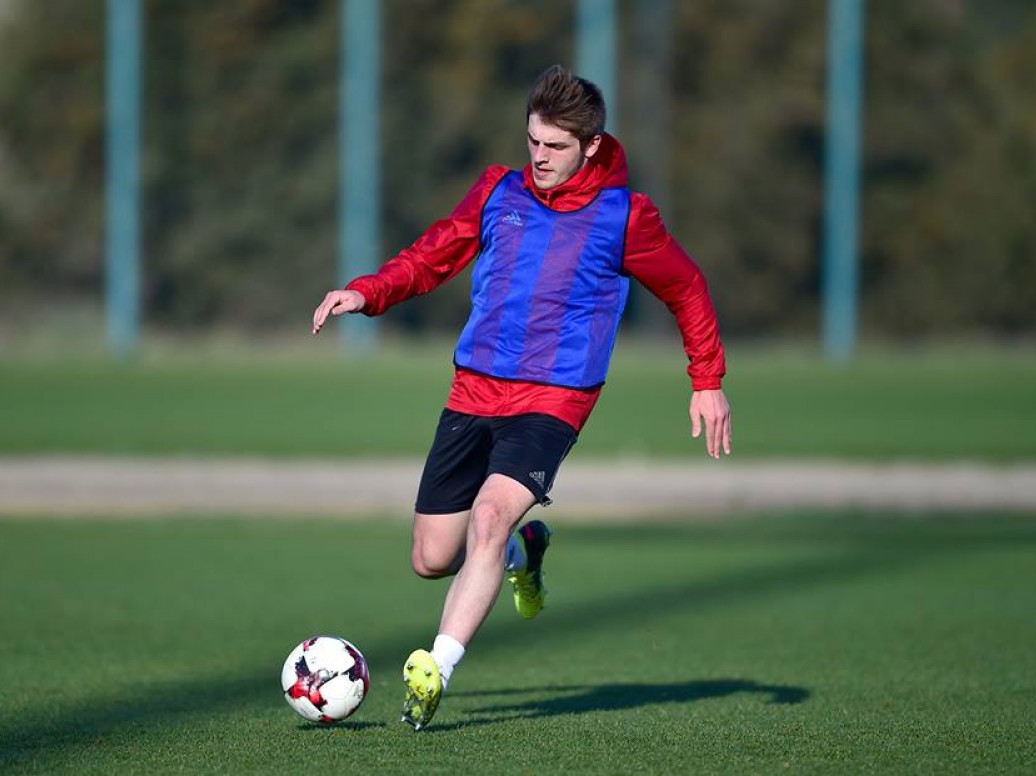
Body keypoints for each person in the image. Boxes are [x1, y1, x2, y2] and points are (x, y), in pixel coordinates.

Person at [311, 64, 731, 730]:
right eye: (533, 140)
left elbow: (686, 288)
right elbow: (434, 255)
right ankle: (520, 553)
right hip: (473, 387)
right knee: (432, 558)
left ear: (592, 146)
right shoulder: (498, 191)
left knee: (489, 515)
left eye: (556, 146)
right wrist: (367, 292)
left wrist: (706, 381)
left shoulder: (626, 216)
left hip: (554, 399)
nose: (540, 156)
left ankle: (436, 669)